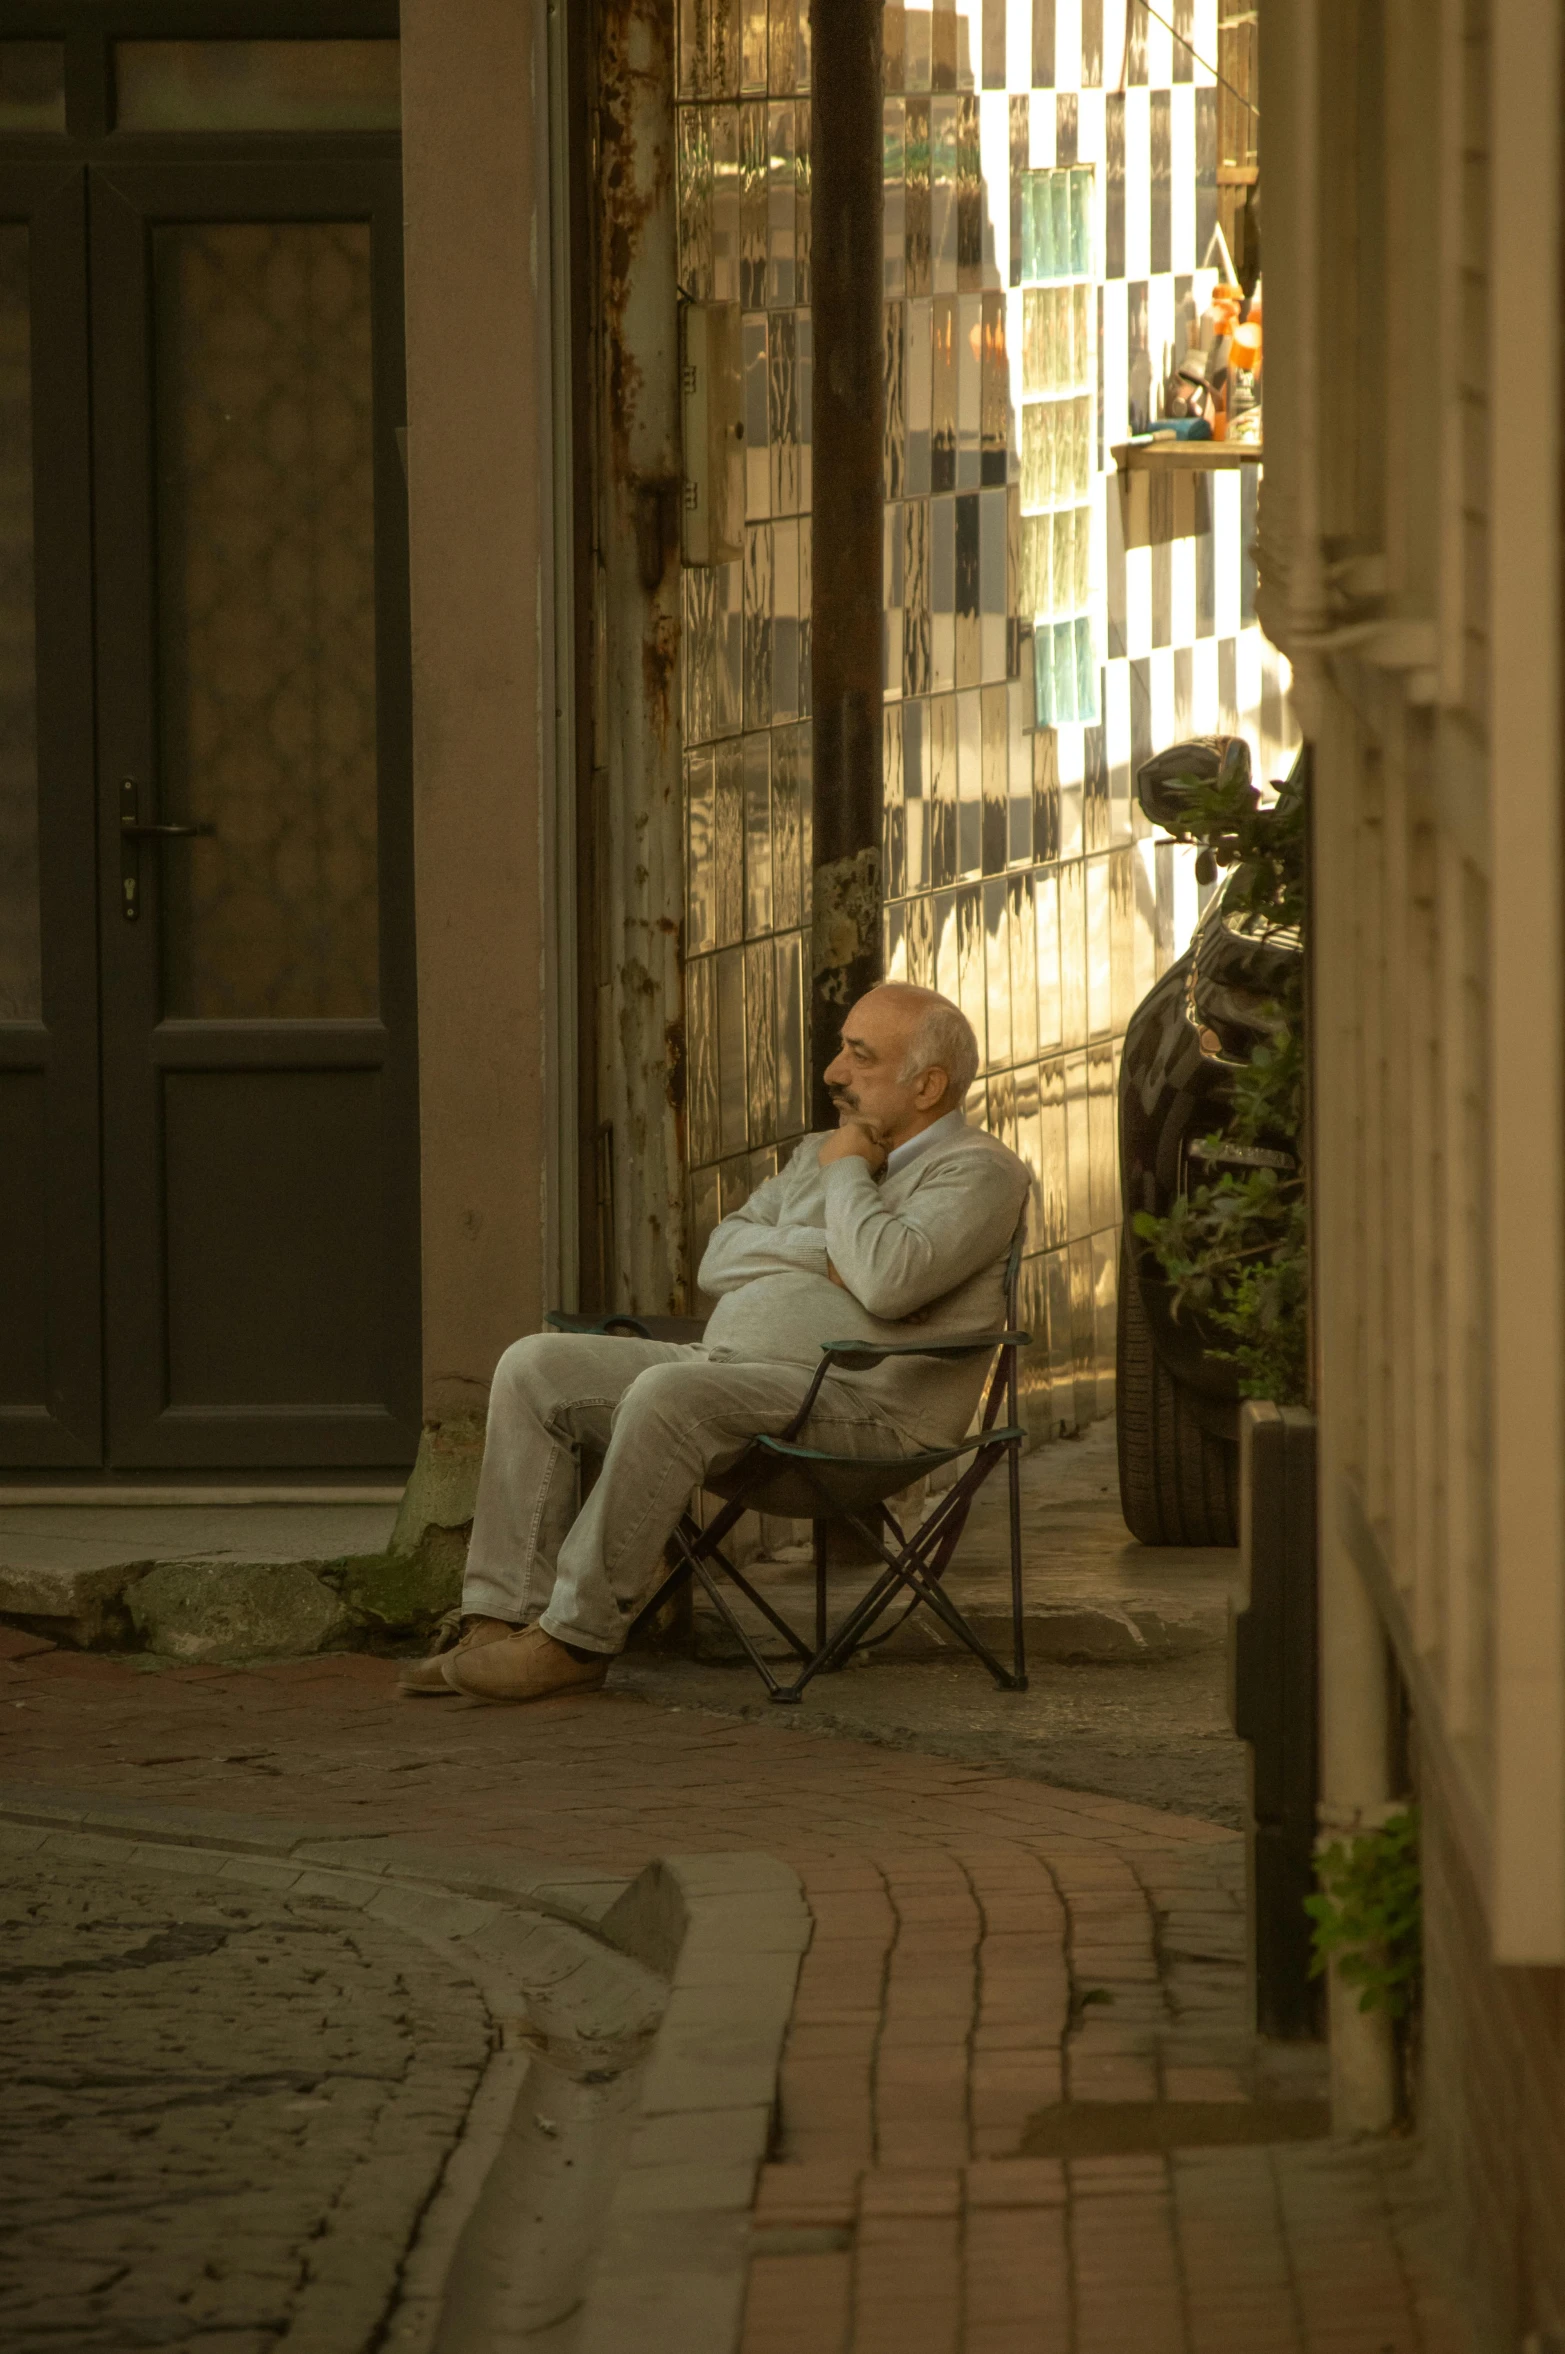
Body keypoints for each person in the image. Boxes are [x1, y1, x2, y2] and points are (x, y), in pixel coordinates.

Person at [398, 982, 1030, 1703]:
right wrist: (824, 1247)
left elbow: (888, 1280)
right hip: (732, 1377)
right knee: (534, 1365)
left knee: (671, 1394)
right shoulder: (818, 1153)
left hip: (864, 1412)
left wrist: (850, 1172)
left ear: (928, 1085)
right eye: (840, 1051)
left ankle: (574, 1636)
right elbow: (718, 1258)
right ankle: (498, 1619)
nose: (833, 1072)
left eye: (858, 1056)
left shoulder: (976, 1172)